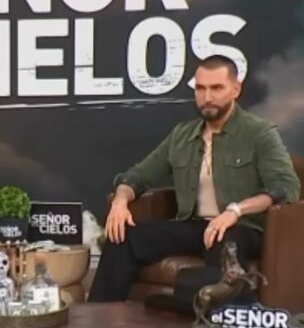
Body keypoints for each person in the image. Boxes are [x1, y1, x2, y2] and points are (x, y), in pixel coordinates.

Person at [88, 55, 300, 303]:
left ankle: (193, 311)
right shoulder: (182, 135)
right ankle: (99, 317)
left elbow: (285, 187)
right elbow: (138, 175)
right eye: (200, 88)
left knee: (225, 250)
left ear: (235, 89)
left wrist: (235, 210)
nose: (207, 97)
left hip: (240, 228)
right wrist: (120, 200)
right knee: (123, 238)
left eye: (216, 88)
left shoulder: (259, 132)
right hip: (194, 225)